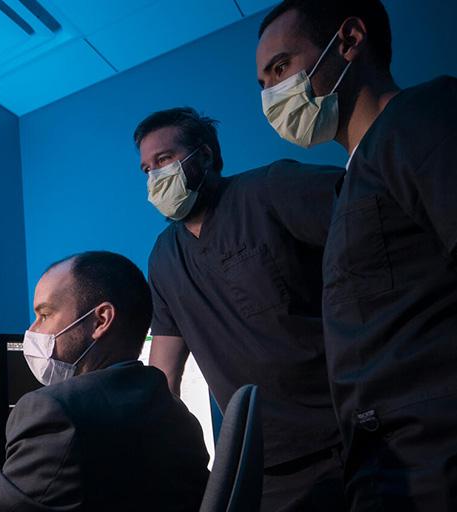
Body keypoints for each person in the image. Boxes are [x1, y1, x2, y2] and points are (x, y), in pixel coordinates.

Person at [256, 1, 457, 509]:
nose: (272, 93)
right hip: (397, 479)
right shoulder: (353, 187)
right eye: (263, 83)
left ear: (349, 41)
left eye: (281, 67)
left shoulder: (427, 119)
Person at [137, 107, 346, 511]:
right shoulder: (164, 258)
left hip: (349, 434)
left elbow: (374, 212)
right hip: (264, 463)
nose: (155, 177)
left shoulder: (270, 190)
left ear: (205, 155)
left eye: (164, 160)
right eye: (147, 169)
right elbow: (164, 377)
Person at [0, 251, 210, 512]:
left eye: (45, 315)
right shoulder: (179, 416)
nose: (33, 331)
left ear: (100, 320)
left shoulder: (55, 413)